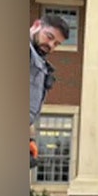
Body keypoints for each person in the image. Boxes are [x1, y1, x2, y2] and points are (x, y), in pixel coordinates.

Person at [29, 14, 70, 167]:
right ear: (36, 25)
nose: (51, 45)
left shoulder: (39, 62)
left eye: (57, 43)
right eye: (49, 36)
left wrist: (30, 140)